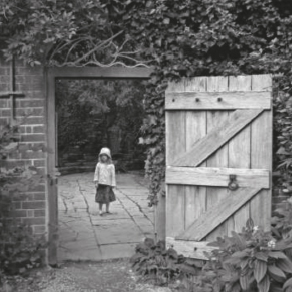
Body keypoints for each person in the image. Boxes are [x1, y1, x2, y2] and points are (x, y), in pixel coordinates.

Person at [93, 147, 116, 216]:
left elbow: (113, 175)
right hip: (100, 183)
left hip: (108, 184)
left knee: (107, 196)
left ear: (108, 157)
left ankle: (107, 209)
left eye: (105, 156)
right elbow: (96, 173)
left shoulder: (111, 166)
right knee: (100, 197)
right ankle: (100, 210)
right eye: (102, 156)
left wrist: (113, 183)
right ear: (100, 157)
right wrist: (96, 182)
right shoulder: (98, 165)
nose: (103, 158)